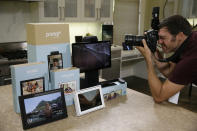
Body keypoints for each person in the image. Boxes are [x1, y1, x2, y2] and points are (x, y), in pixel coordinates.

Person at [136, 15, 197, 103]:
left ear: (180, 35)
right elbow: (170, 73)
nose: (159, 42)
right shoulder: (190, 39)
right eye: (158, 38)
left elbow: (159, 96)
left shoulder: (191, 59)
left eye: (163, 38)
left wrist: (148, 60)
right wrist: (153, 50)